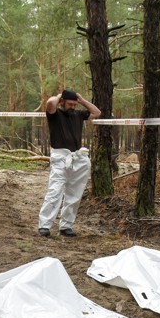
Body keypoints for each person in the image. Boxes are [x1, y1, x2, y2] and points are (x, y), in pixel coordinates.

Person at [37, 89, 101, 237]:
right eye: (70, 104)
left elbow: (97, 112)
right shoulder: (54, 114)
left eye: (74, 104)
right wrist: (59, 95)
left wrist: (82, 101)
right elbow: (49, 103)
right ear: (62, 102)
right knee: (55, 191)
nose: (72, 107)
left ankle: (66, 225)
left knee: (74, 194)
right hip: (60, 158)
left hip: (77, 158)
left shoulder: (78, 114)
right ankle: (45, 225)